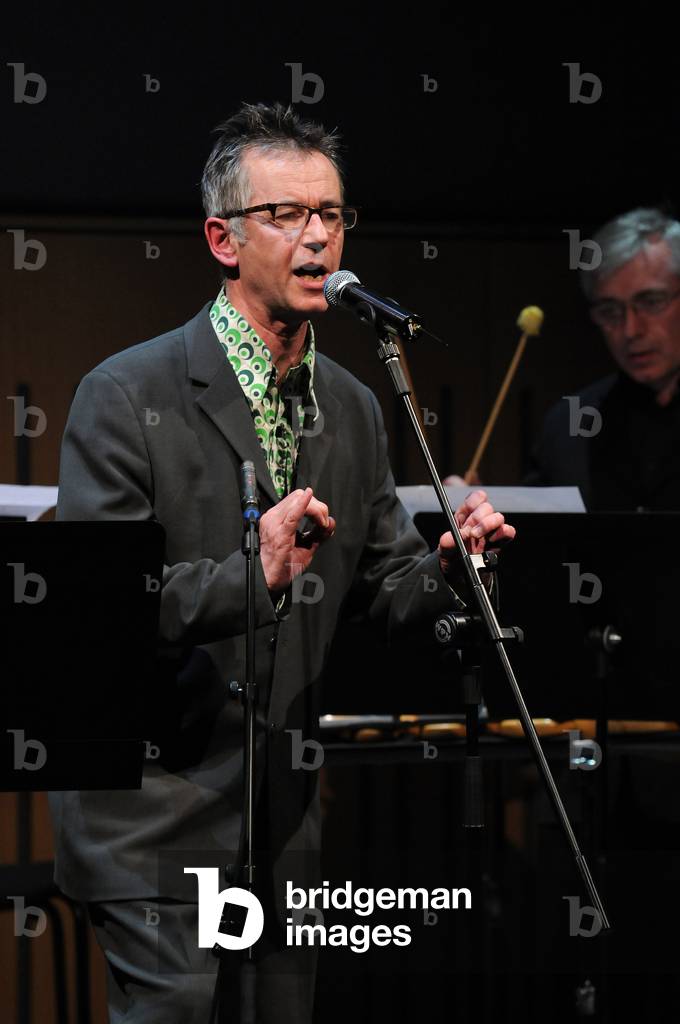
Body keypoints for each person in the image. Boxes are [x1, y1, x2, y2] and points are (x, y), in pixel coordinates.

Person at [48, 101, 515, 1024]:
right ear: (223, 240)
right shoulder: (124, 393)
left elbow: (384, 592)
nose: (317, 239)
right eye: (286, 216)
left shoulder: (352, 404)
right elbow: (94, 609)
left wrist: (450, 568)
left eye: (332, 215)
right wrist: (247, 575)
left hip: (283, 817)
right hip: (151, 821)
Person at [526, 207, 680, 509]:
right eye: (610, 311)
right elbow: (538, 536)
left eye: (651, 302)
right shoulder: (568, 424)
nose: (631, 329)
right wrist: (478, 507)